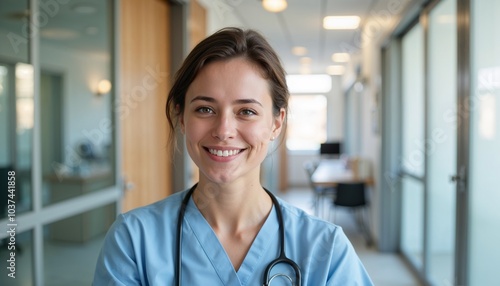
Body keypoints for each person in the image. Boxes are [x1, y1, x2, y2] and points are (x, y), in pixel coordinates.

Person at [93, 27, 373, 286]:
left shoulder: (325, 249)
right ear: (181, 118)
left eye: (246, 111)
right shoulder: (133, 241)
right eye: (205, 109)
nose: (224, 130)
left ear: (276, 123)